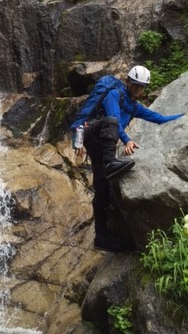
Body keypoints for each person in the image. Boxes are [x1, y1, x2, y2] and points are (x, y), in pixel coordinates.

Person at [72, 65, 184, 253]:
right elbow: (113, 118)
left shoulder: (134, 107)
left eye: (142, 87)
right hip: (94, 132)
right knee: (112, 122)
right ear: (127, 82)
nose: (138, 90)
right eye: (135, 85)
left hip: (103, 143)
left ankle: (101, 236)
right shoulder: (114, 95)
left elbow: (158, 118)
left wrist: (183, 116)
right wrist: (127, 140)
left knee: (102, 186)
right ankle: (110, 163)